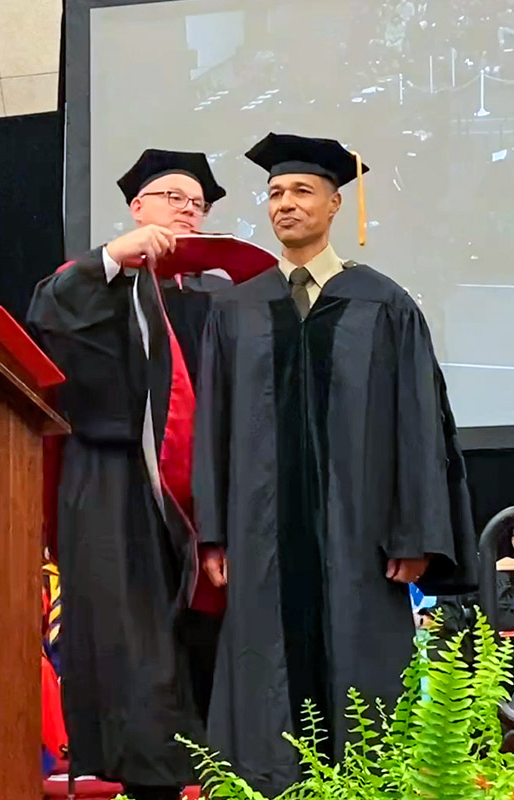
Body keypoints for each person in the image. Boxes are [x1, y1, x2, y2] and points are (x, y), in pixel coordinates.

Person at [193, 132, 478, 797]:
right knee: (263, 674)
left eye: (300, 191)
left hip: (358, 536)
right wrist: (214, 530)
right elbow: (213, 426)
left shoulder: (383, 304)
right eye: (273, 193)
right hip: (261, 533)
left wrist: (415, 535)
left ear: (332, 205)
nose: (284, 204)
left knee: (360, 680)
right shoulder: (236, 308)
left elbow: (418, 422)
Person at [27, 149, 228, 800]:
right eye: (173, 197)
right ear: (138, 208)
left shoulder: (220, 296)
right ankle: (146, 782)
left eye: (196, 204)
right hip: (113, 485)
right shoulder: (92, 278)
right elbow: (49, 318)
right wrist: (116, 255)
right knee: (130, 642)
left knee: (204, 639)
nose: (187, 211)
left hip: (202, 496)